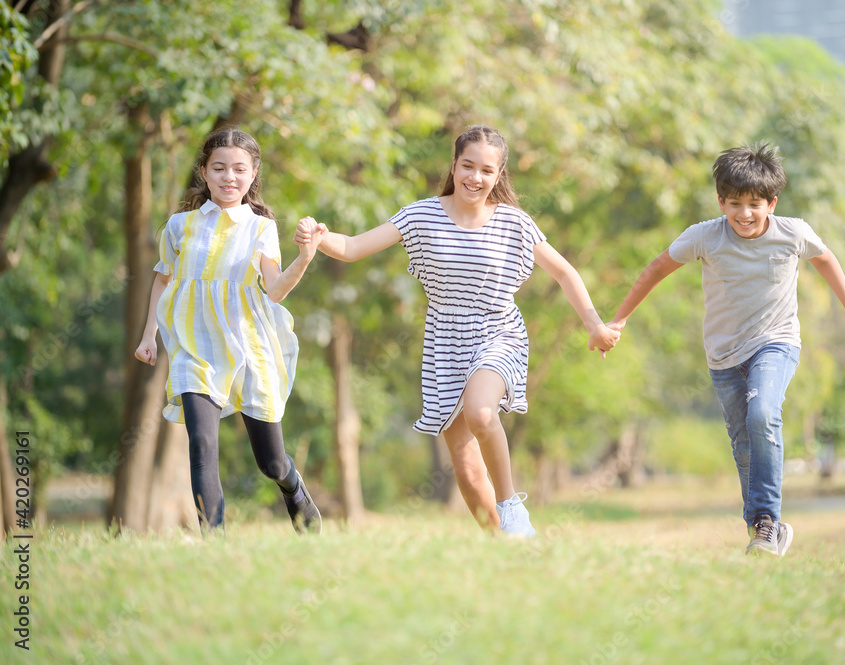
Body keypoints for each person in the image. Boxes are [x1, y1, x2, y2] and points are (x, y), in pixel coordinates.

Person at [295, 125, 620, 537]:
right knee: (466, 471)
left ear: (498, 175)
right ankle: (506, 548)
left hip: (498, 332)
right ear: (454, 165)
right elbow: (355, 247)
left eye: (487, 170)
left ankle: (511, 507)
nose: (475, 177)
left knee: (482, 413)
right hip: (445, 344)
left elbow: (563, 271)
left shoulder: (514, 223)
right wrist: (318, 236)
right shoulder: (422, 215)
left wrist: (594, 324)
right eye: (468, 166)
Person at [609, 142, 845, 557]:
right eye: (735, 203)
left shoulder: (793, 232)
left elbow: (826, 260)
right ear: (721, 201)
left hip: (776, 342)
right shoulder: (704, 236)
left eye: (754, 204)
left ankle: (768, 519)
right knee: (743, 441)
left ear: (772, 202)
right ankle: (761, 529)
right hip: (723, 355)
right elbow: (656, 268)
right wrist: (620, 319)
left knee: (763, 414)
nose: (744, 214)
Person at [134, 128, 323, 535]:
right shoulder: (178, 226)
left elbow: (274, 290)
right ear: (203, 171)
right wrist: (149, 336)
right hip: (193, 345)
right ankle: (213, 541)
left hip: (248, 347)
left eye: (239, 169)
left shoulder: (260, 227)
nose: (228, 177)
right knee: (201, 445)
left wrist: (304, 257)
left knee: (270, 461)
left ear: (253, 173)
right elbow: (163, 280)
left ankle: (292, 486)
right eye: (218, 168)